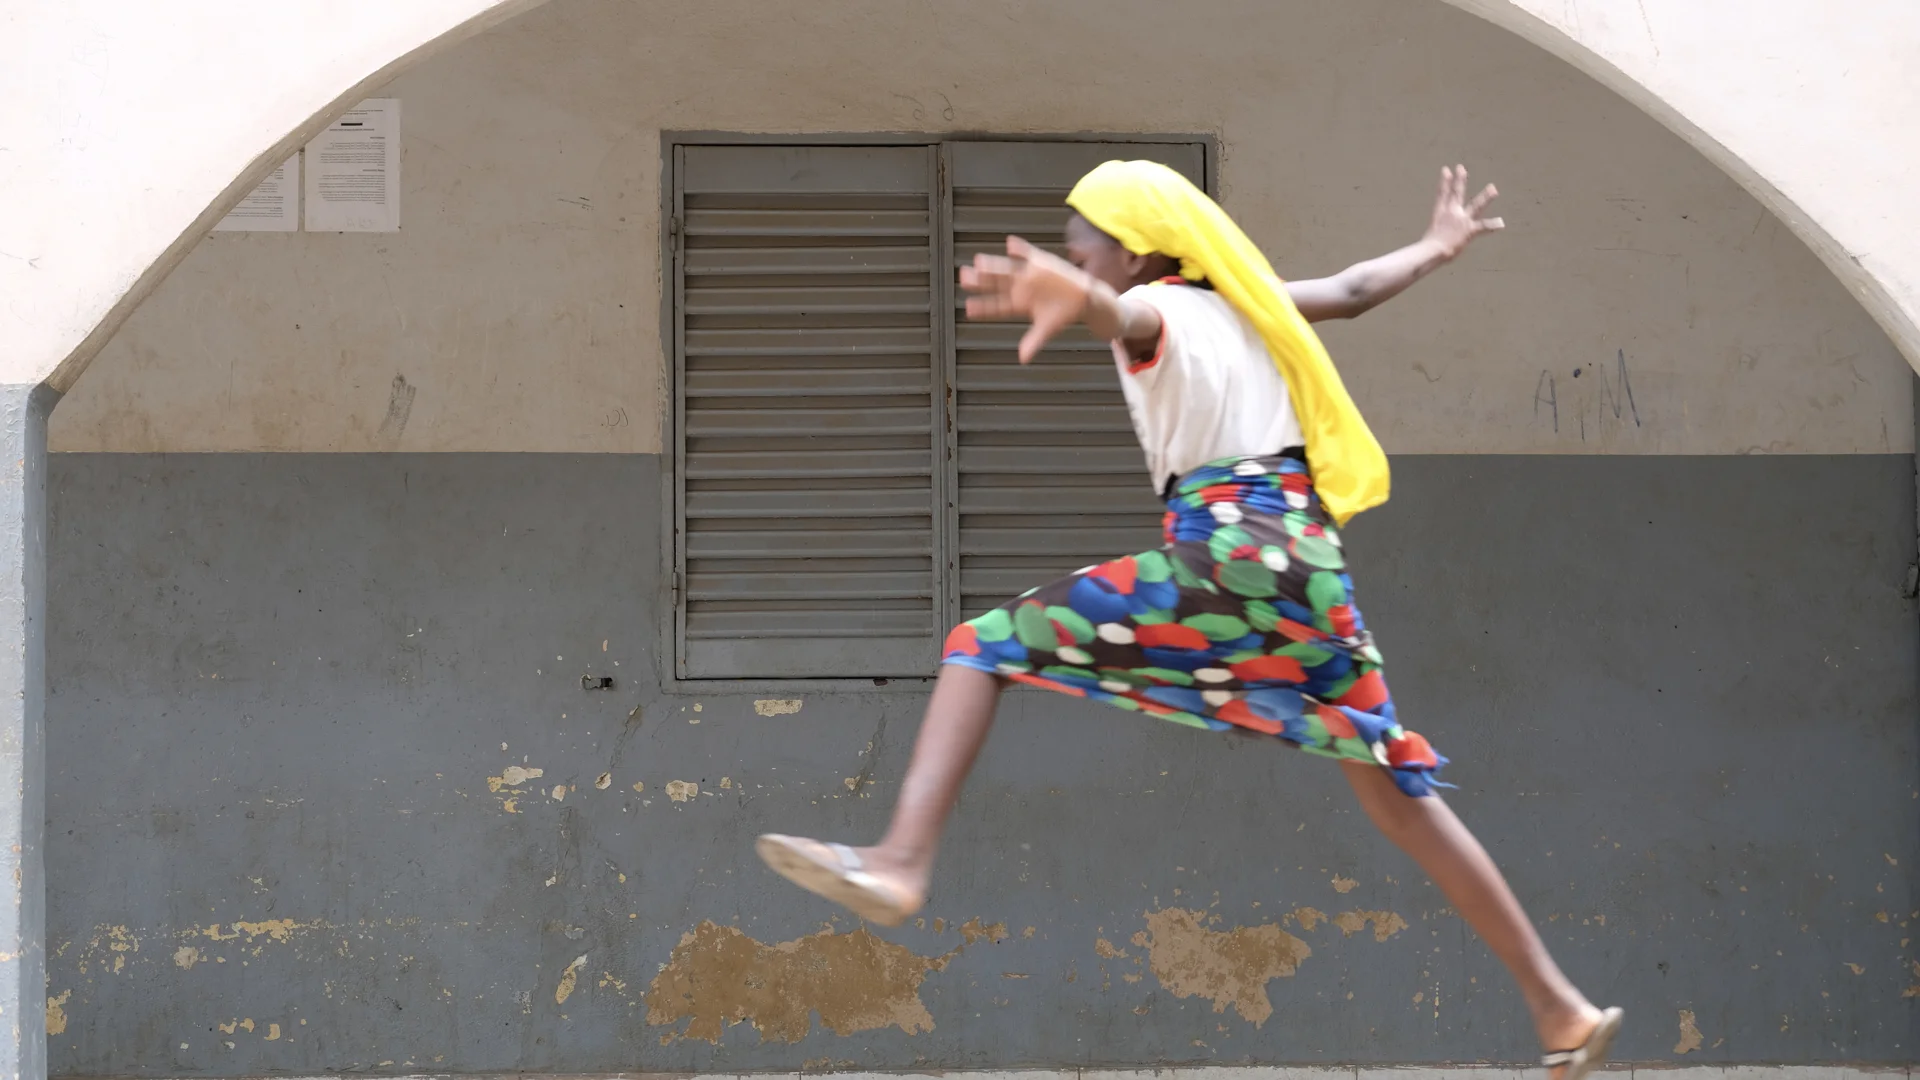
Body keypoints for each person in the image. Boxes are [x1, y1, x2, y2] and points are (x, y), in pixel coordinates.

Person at [757, 163, 1622, 1078]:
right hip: (1310, 567)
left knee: (981, 645)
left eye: (1081, 236)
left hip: (1230, 552)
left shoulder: (1160, 313)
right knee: (1396, 798)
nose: (1070, 249)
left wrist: (1082, 296)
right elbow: (1356, 289)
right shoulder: (1252, 303)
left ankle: (900, 859)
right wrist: (1437, 248)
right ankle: (1558, 1007)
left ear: (1131, 251)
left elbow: (1125, 316)